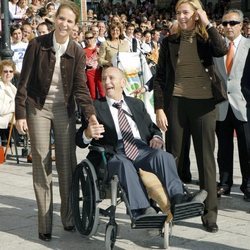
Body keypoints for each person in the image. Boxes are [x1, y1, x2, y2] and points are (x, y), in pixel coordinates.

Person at [15, 1, 98, 242]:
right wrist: (20, 113)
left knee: (66, 163)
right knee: (41, 161)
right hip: (38, 106)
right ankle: (44, 224)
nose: (64, 24)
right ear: (55, 19)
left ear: (75, 26)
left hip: (64, 108)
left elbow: (81, 88)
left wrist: (90, 114)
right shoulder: (36, 45)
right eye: (61, 18)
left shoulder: (77, 51)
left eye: (70, 21)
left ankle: (69, 217)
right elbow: (25, 81)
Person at [76, 67, 207, 218]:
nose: (107, 82)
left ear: (123, 82)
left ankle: (179, 199)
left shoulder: (136, 104)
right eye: (104, 79)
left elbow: (153, 128)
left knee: (163, 156)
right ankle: (142, 210)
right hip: (113, 153)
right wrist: (87, 133)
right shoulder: (95, 107)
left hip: (141, 148)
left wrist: (156, 137)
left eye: (111, 78)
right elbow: (79, 140)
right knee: (124, 165)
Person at [153, 0, 227, 233]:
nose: (181, 17)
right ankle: (170, 209)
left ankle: (209, 214)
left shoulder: (207, 38)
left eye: (186, 12)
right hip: (176, 103)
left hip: (204, 105)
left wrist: (207, 23)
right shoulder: (169, 41)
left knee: (206, 160)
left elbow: (221, 49)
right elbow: (160, 77)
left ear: (196, 14)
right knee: (172, 158)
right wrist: (159, 108)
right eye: (178, 13)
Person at [213, 9, 250, 201]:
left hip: (244, 105)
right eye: (225, 23)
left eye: (232, 23)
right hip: (222, 106)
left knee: (247, 148)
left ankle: (248, 185)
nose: (228, 26)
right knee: (224, 148)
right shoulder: (217, 47)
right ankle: (224, 183)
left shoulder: (249, 46)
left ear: (241, 24)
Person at [84, 31, 105, 99]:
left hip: (99, 72)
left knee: (102, 92)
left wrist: (99, 53)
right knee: (93, 94)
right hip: (89, 73)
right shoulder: (83, 50)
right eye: (87, 38)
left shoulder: (99, 48)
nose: (89, 40)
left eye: (90, 38)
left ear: (94, 38)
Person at [0, 60, 17, 143]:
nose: (8, 73)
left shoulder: (12, 87)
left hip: (9, 121)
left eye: (11, 71)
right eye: (5, 71)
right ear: (0, 73)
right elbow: (1, 109)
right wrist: (14, 106)